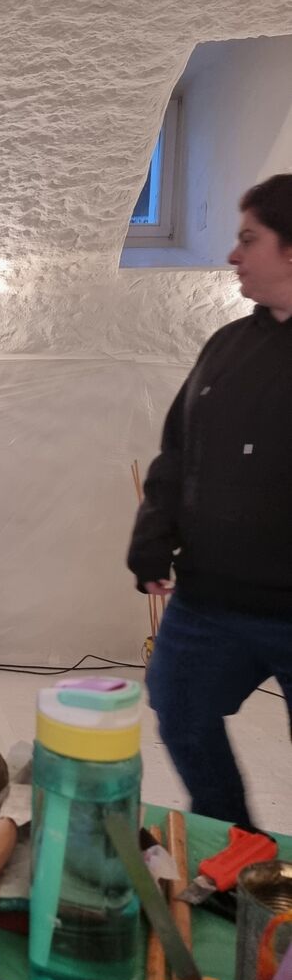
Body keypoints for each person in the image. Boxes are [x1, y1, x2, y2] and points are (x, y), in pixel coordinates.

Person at [128, 175, 292, 828]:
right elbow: (178, 451)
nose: (233, 254)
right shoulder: (229, 345)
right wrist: (152, 535)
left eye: (249, 239)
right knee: (179, 707)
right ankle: (236, 841)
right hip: (211, 599)